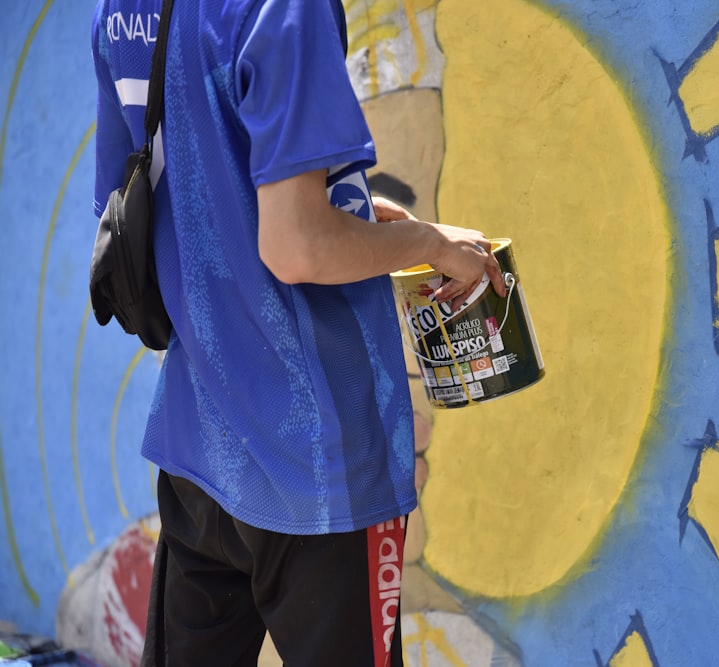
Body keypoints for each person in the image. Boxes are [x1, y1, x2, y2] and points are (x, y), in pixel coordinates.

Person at [91, 0, 505, 664]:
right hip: (320, 466)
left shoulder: (120, 11)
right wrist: (425, 239)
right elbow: (297, 248)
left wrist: (381, 219)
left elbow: (172, 196)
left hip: (199, 443)